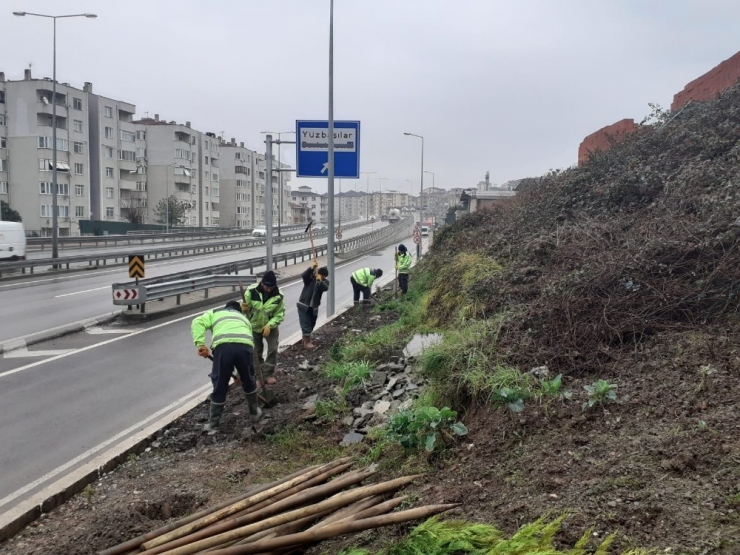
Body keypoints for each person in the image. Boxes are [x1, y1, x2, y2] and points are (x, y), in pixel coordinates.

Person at [191, 300, 261, 434]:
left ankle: (213, 425)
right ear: (238, 310)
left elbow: (197, 322)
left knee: (220, 383)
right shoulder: (244, 318)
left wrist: (200, 344)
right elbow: (246, 340)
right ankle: (254, 414)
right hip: (245, 346)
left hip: (223, 348)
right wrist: (241, 374)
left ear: (226, 308)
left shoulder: (216, 313)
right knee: (249, 380)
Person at [242, 270, 285, 385]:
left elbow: (279, 314)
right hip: (254, 326)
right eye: (266, 286)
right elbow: (245, 309)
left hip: (270, 326)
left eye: (271, 287)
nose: (268, 289)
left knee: (273, 349)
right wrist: (244, 308)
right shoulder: (251, 291)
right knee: (256, 352)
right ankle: (259, 376)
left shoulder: (278, 296)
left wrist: (269, 325)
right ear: (262, 283)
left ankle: (267, 374)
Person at [297, 261, 330, 350]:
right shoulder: (310, 279)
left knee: (312, 323)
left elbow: (325, 288)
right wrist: (312, 268)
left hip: (314, 307)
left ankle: (305, 339)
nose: (324, 278)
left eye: (325, 277)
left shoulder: (324, 282)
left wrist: (320, 281)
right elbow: (304, 275)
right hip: (303, 305)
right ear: (318, 273)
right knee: (306, 323)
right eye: (323, 276)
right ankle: (307, 342)